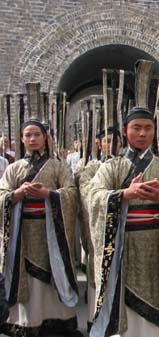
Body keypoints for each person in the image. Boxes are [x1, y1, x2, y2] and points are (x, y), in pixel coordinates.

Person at [88, 107, 159, 337]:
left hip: (158, 245)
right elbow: (94, 197)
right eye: (136, 128)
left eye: (148, 128)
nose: (142, 133)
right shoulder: (111, 166)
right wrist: (125, 194)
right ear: (125, 131)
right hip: (123, 246)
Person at [0, 119, 80, 337]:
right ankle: (26, 319)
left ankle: (58, 317)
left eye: (37, 134)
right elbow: (1, 195)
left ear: (46, 137)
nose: (33, 139)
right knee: (25, 274)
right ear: (22, 139)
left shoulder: (58, 167)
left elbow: (72, 194)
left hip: (51, 231)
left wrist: (49, 195)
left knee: (54, 270)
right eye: (28, 135)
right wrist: (16, 195)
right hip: (23, 231)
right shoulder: (14, 168)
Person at [76, 127, 122, 332]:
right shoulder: (91, 167)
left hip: (124, 226)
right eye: (107, 140)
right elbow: (87, 193)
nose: (111, 144)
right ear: (98, 144)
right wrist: (115, 196)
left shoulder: (126, 165)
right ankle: (98, 318)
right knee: (99, 269)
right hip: (98, 228)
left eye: (115, 140)